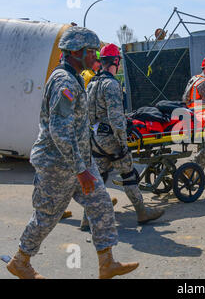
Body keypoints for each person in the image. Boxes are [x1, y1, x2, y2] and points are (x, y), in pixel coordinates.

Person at [6, 26, 139, 279]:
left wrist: (83, 166)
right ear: (76, 52)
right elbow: (59, 130)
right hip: (58, 165)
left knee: (101, 205)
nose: (95, 58)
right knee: (46, 217)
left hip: (78, 163)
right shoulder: (64, 82)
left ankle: (107, 262)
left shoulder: (76, 77)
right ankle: (20, 261)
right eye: (91, 52)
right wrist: (81, 171)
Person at [85, 43, 164, 231]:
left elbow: (88, 114)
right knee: (128, 175)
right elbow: (116, 118)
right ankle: (142, 212)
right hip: (111, 139)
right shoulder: (111, 85)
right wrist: (123, 143)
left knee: (99, 178)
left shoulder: (92, 84)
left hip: (95, 138)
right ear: (115, 61)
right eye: (118, 61)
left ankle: (86, 219)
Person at [181, 58, 205, 182]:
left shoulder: (194, 78)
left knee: (201, 145)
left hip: (190, 115)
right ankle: (192, 167)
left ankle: (198, 174)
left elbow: (185, 98)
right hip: (199, 117)